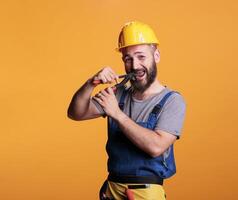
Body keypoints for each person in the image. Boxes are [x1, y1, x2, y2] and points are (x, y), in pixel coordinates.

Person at [67, 21, 186, 200]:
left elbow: (156, 147)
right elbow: (75, 113)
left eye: (141, 57)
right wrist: (91, 83)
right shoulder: (118, 94)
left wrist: (117, 114)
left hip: (146, 192)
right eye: (128, 59)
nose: (135, 65)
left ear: (157, 56)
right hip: (112, 189)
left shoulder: (173, 101)